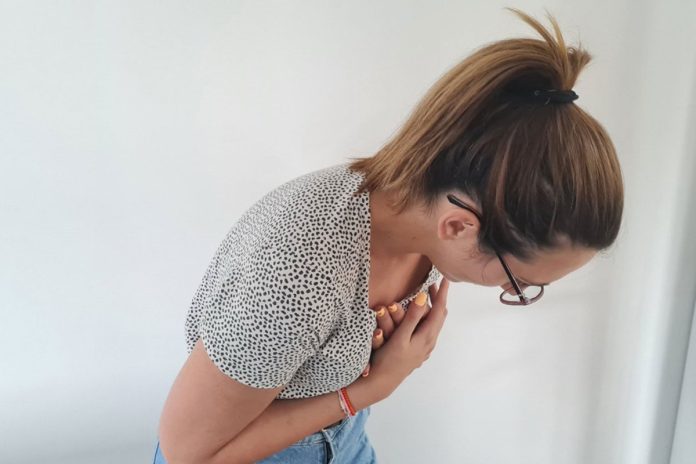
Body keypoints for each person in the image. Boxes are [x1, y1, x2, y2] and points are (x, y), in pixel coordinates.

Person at [153, 7, 623, 464]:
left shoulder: (423, 212)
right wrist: (371, 388)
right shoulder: (299, 272)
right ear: (459, 226)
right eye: (517, 282)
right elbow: (189, 452)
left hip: (344, 437)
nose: (507, 290)